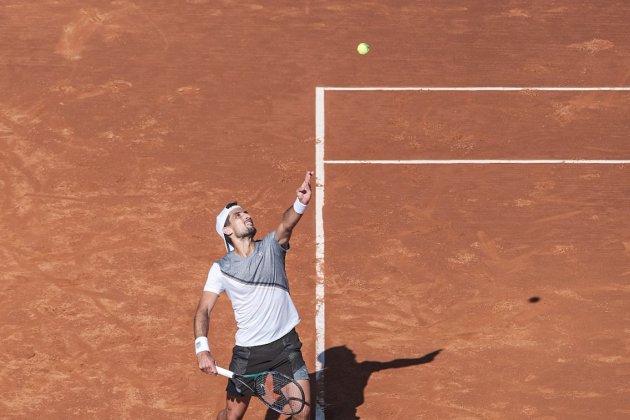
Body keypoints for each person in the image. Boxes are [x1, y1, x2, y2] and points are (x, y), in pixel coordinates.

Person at [194, 171, 313, 420]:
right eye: (238, 215)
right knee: (231, 416)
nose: (247, 215)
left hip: (285, 344)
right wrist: (202, 349)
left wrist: (300, 202)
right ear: (227, 230)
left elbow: (287, 223)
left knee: (302, 413)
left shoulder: (272, 247)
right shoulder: (221, 268)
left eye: (246, 212)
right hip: (249, 352)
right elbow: (204, 309)